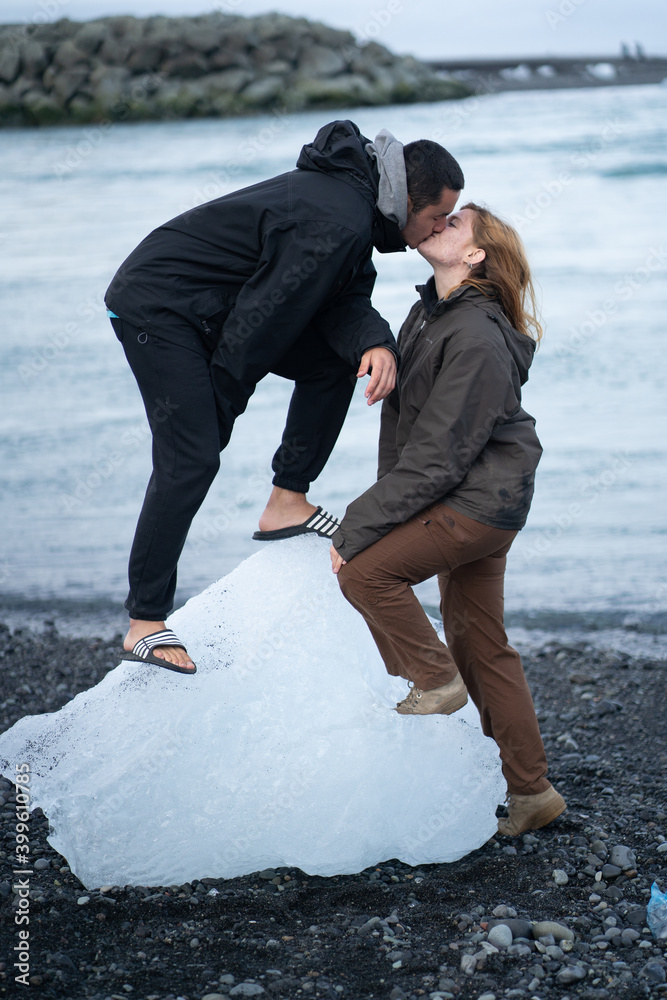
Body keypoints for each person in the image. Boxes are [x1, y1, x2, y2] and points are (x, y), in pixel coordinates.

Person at [105, 119, 464, 674]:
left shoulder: (354, 206)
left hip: (210, 306)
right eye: (437, 216)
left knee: (333, 363)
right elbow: (261, 324)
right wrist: (216, 416)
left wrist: (374, 343)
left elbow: (339, 296)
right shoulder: (340, 215)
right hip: (161, 305)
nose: (440, 228)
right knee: (192, 458)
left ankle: (286, 501)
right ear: (407, 200)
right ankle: (144, 621)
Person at [330, 203, 566, 837]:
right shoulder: (430, 315)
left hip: (475, 502)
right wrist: (377, 346)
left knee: (364, 575)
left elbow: (438, 455)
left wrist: (358, 527)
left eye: (455, 223)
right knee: (479, 640)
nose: (437, 223)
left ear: (476, 255)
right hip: (474, 496)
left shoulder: (476, 335)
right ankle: (532, 793)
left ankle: (434, 682)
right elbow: (417, 443)